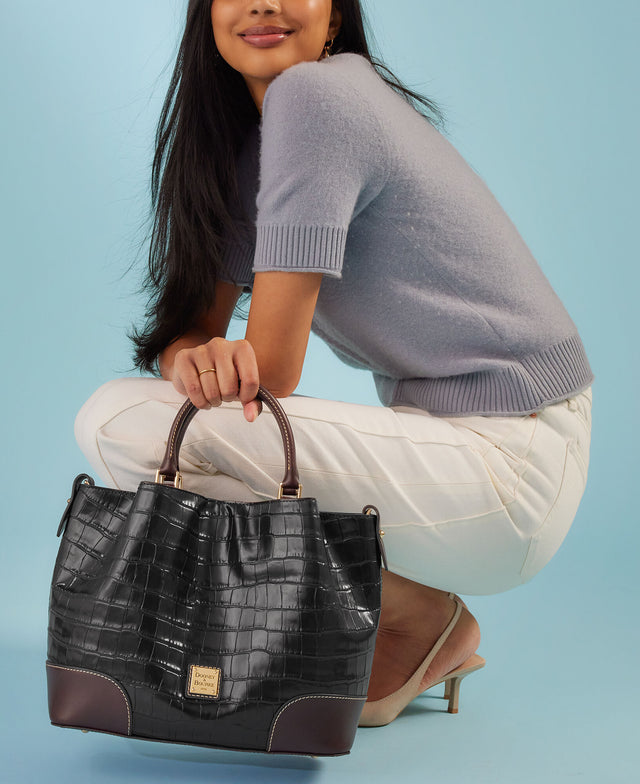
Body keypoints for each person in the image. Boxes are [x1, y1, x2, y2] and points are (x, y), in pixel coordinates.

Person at [75, 0, 594, 727]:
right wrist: (195, 359)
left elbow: (270, 369)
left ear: (335, 17)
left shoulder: (318, 98)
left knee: (117, 419)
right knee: (145, 419)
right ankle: (413, 617)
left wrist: (211, 366)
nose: (262, 2)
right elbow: (189, 330)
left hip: (513, 461)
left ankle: (410, 612)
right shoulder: (249, 149)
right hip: (463, 451)